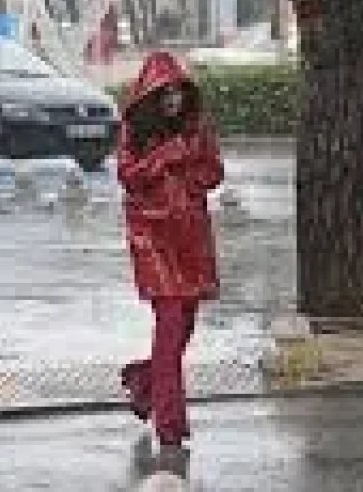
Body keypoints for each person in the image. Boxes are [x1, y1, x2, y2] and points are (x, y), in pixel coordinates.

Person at [117, 52, 224, 449]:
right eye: (165, 93)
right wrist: (164, 158)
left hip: (191, 238)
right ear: (150, 96)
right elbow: (128, 176)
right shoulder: (134, 130)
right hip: (153, 241)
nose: (174, 99)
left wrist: (190, 176)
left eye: (178, 92)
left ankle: (144, 382)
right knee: (170, 326)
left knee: (183, 330)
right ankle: (170, 423)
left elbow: (214, 172)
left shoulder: (197, 127)